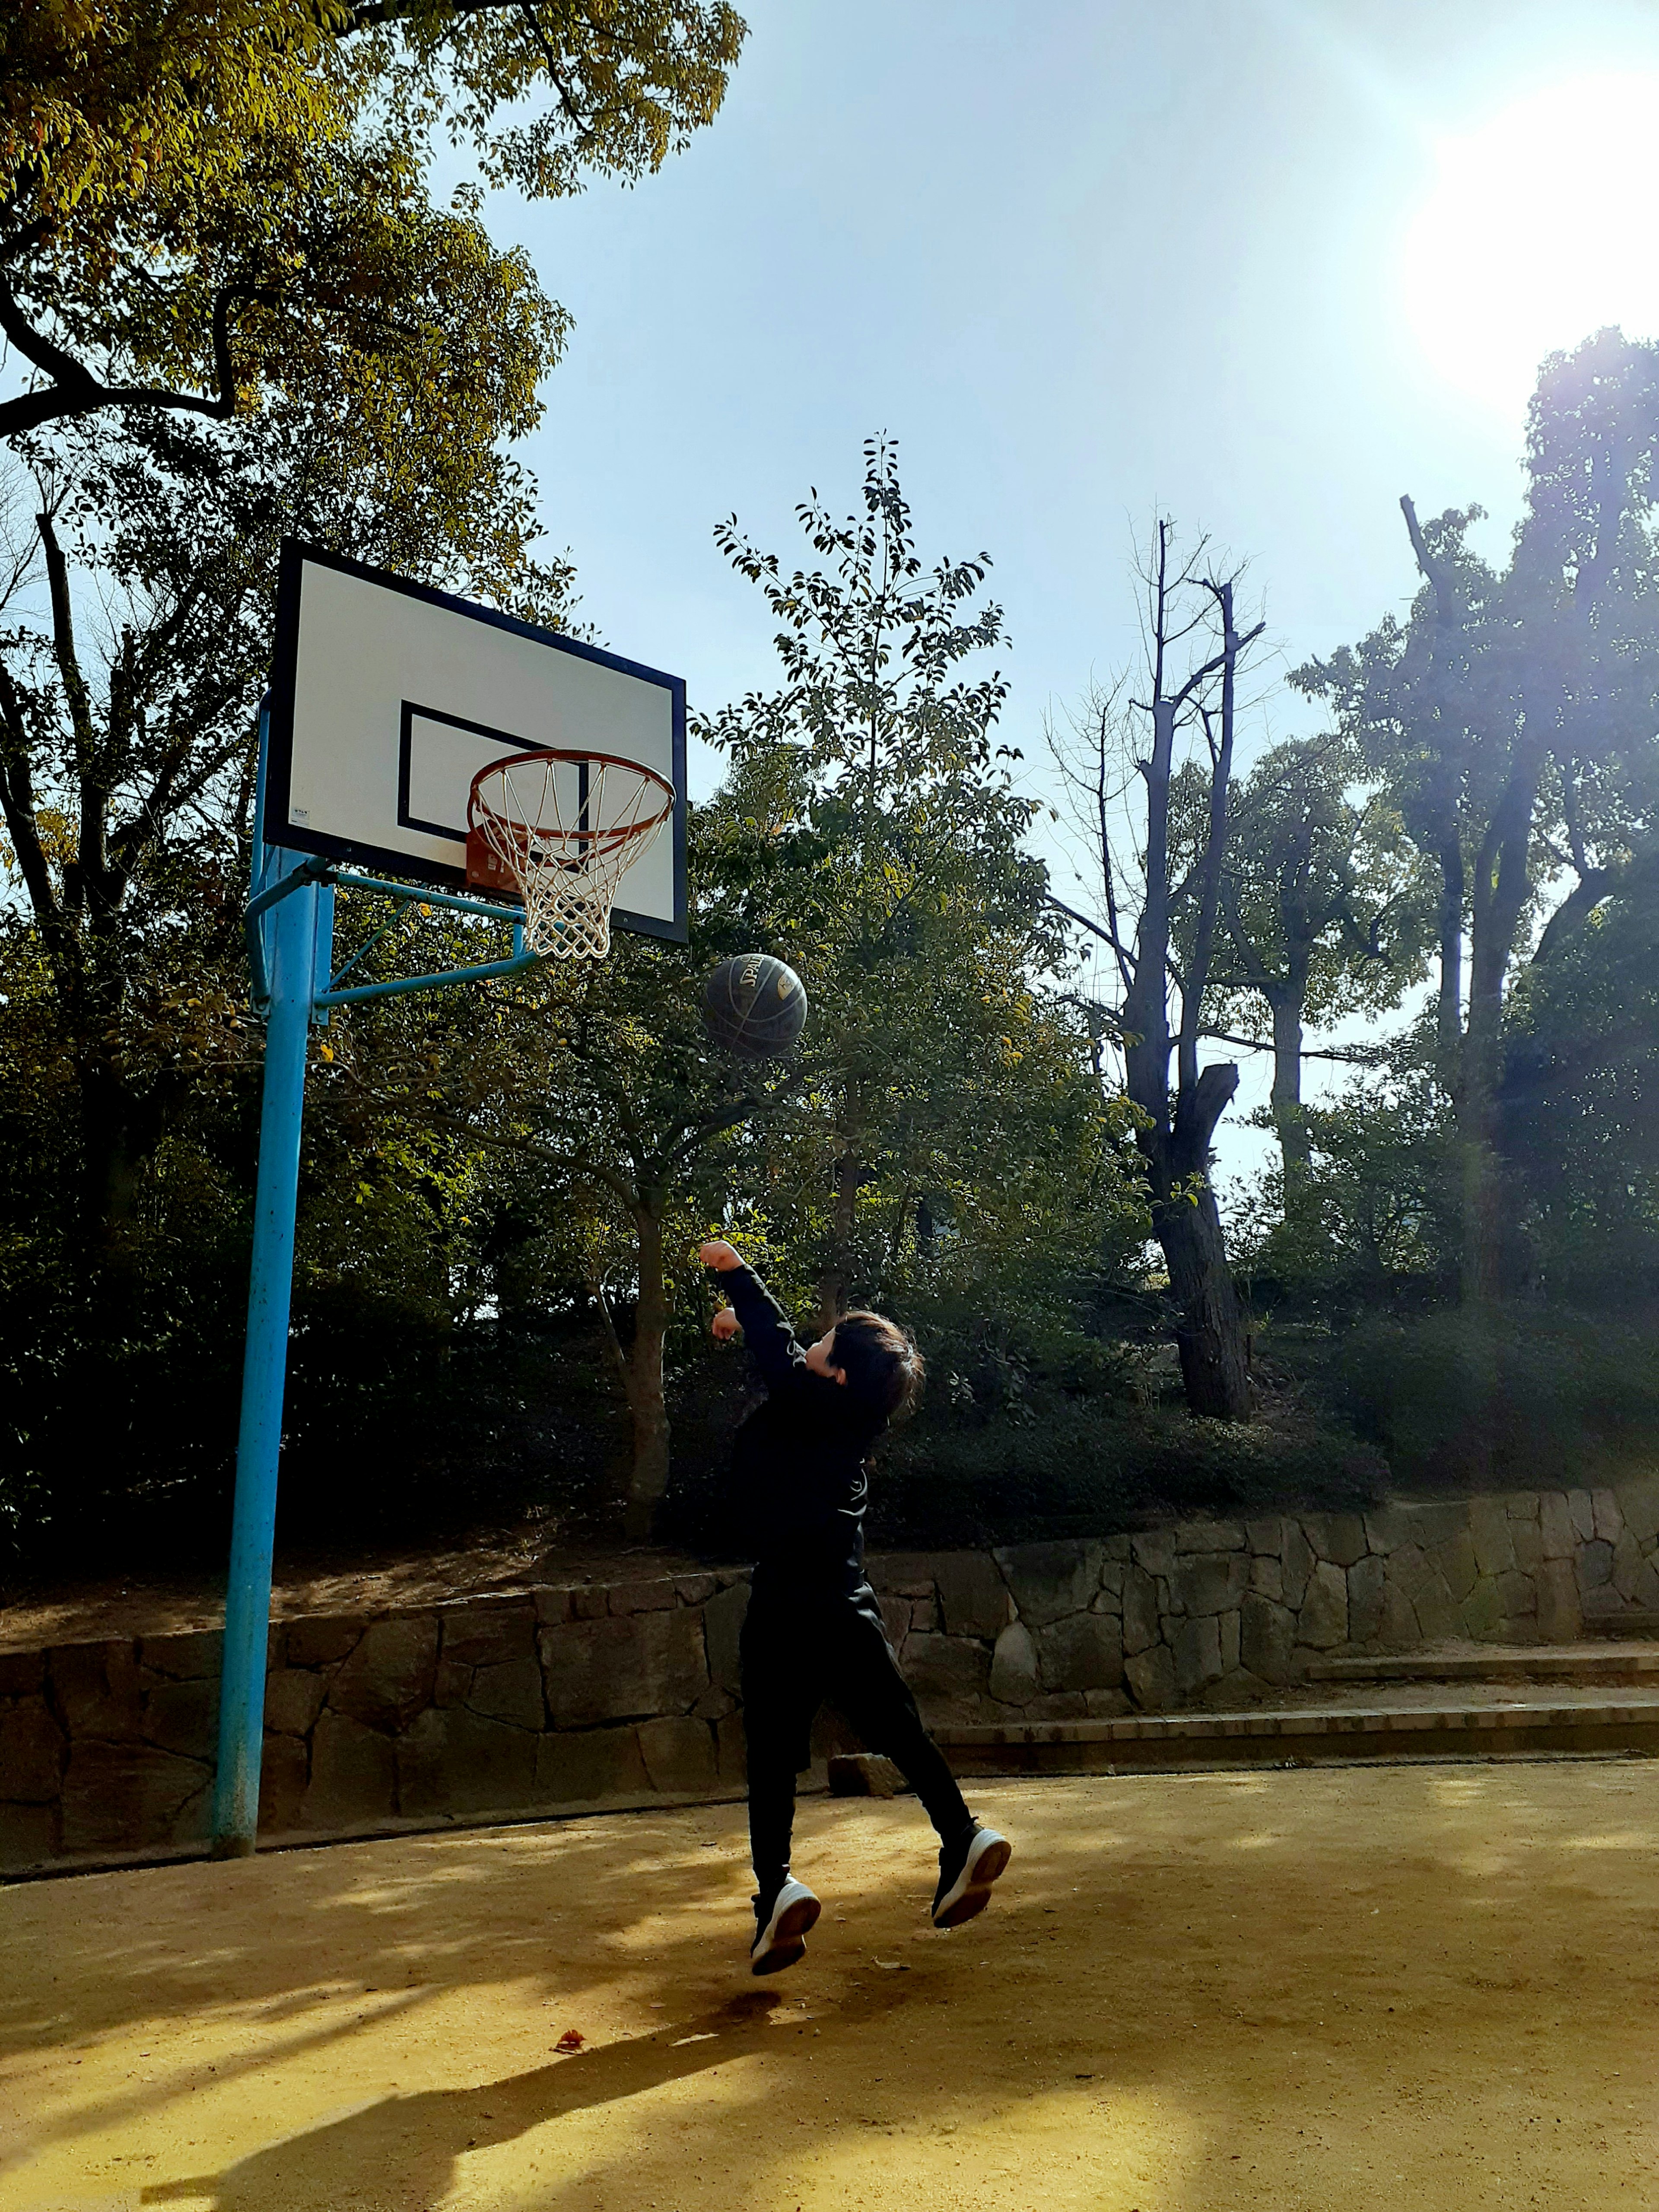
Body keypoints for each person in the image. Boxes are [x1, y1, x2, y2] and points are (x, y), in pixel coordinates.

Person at [698, 1238, 1011, 1976]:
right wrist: (742, 1323)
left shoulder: (808, 1399)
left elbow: (779, 1345)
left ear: (835, 1375)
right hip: (846, 1598)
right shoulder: (850, 1421)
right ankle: (962, 1832)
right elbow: (779, 1350)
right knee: (898, 1729)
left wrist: (738, 1275)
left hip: (785, 1604)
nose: (813, 1341)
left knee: (773, 1759)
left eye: (826, 1342)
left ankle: (775, 1890)